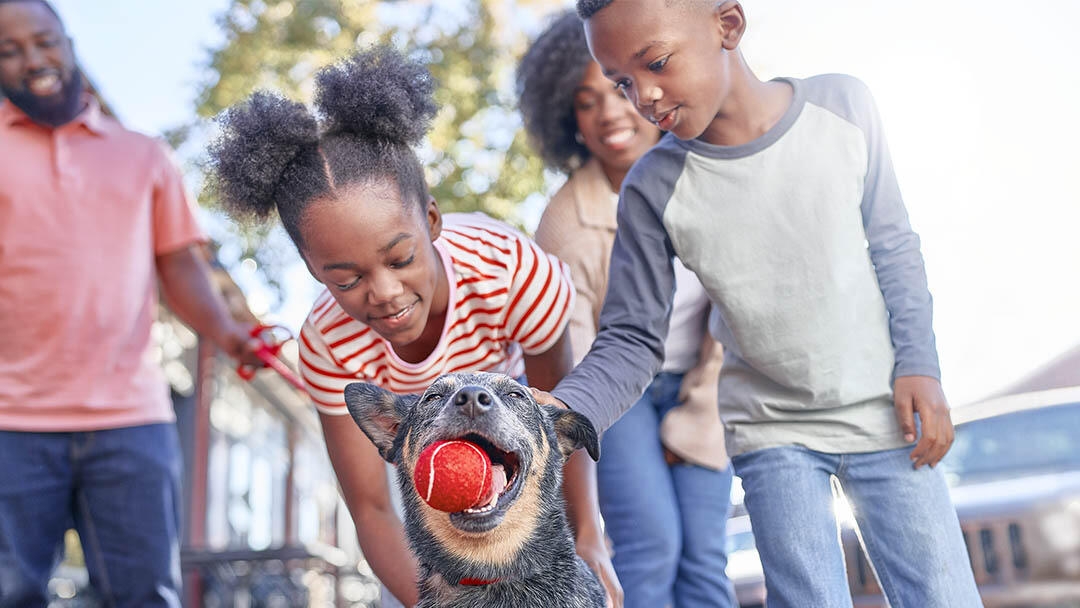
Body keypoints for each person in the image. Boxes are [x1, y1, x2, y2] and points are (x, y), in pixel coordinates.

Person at [535, 1, 984, 607]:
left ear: (728, 25)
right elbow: (632, 338)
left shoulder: (843, 108)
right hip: (772, 431)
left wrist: (921, 366)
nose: (642, 96)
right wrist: (560, 412)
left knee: (942, 596)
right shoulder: (652, 187)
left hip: (886, 412)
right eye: (621, 81)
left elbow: (895, 247)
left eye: (657, 63)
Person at [206, 44, 620, 608]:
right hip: (429, 471)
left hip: (517, 454)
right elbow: (374, 510)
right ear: (313, 270)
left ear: (430, 220)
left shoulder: (512, 269)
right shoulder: (326, 346)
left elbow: (552, 426)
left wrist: (589, 540)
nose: (384, 292)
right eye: (346, 279)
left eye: (400, 259)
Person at [0, 1, 264, 606]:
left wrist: (227, 334)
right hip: (11, 420)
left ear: (67, 41)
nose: (31, 59)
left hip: (128, 418)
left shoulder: (143, 155)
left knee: (145, 593)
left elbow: (179, 267)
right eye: (8, 51)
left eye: (41, 41)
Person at [518, 11, 736, 608]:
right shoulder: (563, 221)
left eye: (617, 91)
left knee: (704, 558)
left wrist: (693, 418)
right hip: (617, 396)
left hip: (706, 385)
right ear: (569, 121)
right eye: (586, 102)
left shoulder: (708, 175)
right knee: (652, 544)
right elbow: (580, 351)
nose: (611, 112)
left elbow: (734, 317)